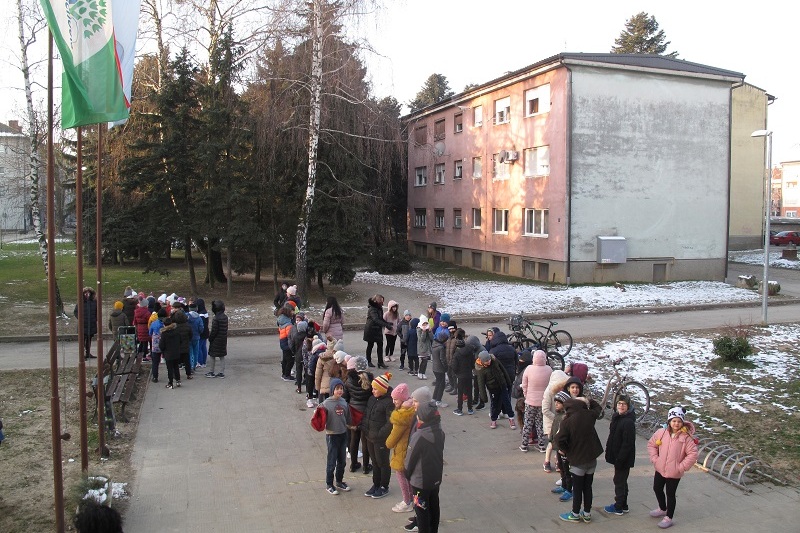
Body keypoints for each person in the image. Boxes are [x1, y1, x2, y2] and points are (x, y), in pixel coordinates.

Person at [647, 406, 698, 529]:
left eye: (679, 421)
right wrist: (655, 459)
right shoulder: (661, 433)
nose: (676, 423)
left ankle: (669, 517)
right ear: (669, 421)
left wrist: (681, 467)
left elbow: (693, 454)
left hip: (674, 472)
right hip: (660, 468)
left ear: (682, 422)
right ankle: (662, 508)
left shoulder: (686, 438)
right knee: (657, 488)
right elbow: (651, 445)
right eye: (674, 421)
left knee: (670, 494)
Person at [556, 395, 605, 524]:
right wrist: (588, 400)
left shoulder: (567, 421)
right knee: (588, 487)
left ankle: (575, 514)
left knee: (577, 489)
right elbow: (598, 408)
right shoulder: (589, 415)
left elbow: (559, 439)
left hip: (578, 460)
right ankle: (587, 514)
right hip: (591, 459)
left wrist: (566, 450)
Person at [404, 398, 445, 533]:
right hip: (435, 478)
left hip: (420, 482)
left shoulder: (419, 436)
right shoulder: (440, 432)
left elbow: (410, 459)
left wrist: (407, 473)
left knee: (421, 510)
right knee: (434, 506)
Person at [363, 372, 395, 499]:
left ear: (382, 389)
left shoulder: (389, 403)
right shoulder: (372, 399)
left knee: (383, 462)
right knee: (375, 462)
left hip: (380, 439)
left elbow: (390, 422)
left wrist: (380, 434)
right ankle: (376, 484)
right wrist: (365, 429)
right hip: (370, 436)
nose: (373, 390)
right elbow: (367, 415)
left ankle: (384, 486)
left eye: (375, 388)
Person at [603, 394, 636, 516]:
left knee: (619, 481)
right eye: (619, 404)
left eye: (624, 404)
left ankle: (618, 506)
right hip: (618, 456)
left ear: (628, 406)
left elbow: (628, 444)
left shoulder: (627, 422)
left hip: (622, 458)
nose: (621, 406)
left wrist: (620, 458)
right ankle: (624, 504)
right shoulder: (617, 417)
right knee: (622, 480)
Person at [386, 383, 416, 513]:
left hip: (401, 450)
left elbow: (394, 437)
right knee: (408, 477)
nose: (393, 402)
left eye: (396, 399)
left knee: (401, 476)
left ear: (403, 399)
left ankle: (407, 501)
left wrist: (387, 443)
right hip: (409, 448)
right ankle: (411, 500)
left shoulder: (401, 416)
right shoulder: (412, 411)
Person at [322, 377, 352, 495]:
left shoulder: (344, 402)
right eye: (337, 388)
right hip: (332, 435)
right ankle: (329, 484)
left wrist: (351, 425)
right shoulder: (326, 404)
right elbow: (320, 418)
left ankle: (339, 481)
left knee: (342, 461)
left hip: (343, 434)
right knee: (331, 461)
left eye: (341, 388)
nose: (340, 391)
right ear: (332, 390)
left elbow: (348, 417)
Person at [344, 355, 373, 474]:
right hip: (366, 413)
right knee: (365, 440)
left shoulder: (349, 380)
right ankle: (366, 466)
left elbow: (345, 397)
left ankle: (353, 464)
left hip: (354, 413)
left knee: (354, 439)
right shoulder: (370, 379)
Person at [520, 350, 553, 453]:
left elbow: (524, 384)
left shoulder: (529, 369)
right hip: (543, 402)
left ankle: (524, 444)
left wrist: (526, 395)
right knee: (540, 423)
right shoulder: (549, 370)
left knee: (528, 423)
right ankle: (542, 445)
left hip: (530, 401)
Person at [475, 350, 515, 429]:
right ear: (482, 361)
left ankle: (511, 418)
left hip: (502, 384)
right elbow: (481, 384)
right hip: (493, 388)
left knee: (507, 401)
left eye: (489, 359)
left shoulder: (495, 360)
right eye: (486, 361)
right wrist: (484, 397)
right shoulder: (480, 370)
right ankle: (494, 419)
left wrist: (508, 382)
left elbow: (503, 370)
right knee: (495, 404)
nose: (488, 362)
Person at [542, 369, 569, 472]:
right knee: (551, 442)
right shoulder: (548, 392)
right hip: (551, 421)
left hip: (561, 420)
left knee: (559, 442)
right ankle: (546, 461)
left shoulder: (563, 392)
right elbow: (545, 410)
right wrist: (556, 419)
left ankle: (558, 461)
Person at [450, 331, 478, 415]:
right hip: (469, 374)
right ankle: (470, 409)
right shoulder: (470, 352)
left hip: (460, 376)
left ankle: (459, 409)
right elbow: (473, 363)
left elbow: (454, 366)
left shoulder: (457, 354)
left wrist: (456, 373)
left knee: (460, 393)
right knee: (469, 392)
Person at [363, 294, 393, 369]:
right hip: (371, 329)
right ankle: (368, 361)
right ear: (378, 301)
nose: (383, 303)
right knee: (370, 345)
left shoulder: (379, 308)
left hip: (377, 329)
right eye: (381, 301)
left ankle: (380, 362)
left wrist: (387, 323)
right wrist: (386, 325)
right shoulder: (372, 308)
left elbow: (380, 319)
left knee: (380, 345)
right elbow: (375, 319)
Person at [205, 300, 229, 379]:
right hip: (223, 339)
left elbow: (214, 331)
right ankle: (222, 372)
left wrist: (210, 338)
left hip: (216, 340)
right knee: (222, 356)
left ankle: (211, 371)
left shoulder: (216, 319)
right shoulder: (225, 317)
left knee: (212, 356)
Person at [74, 287, 98, 359]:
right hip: (83, 324)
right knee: (82, 340)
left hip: (91, 324)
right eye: (85, 293)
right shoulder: (80, 302)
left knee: (89, 340)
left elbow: (97, 312)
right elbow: (75, 312)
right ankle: (82, 354)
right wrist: (80, 318)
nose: (87, 294)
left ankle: (88, 353)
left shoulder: (94, 302)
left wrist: (95, 319)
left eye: (88, 293)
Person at [159, 317, 181, 389]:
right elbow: (180, 341)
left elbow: (161, 345)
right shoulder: (177, 331)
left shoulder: (164, 334)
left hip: (168, 353)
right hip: (176, 352)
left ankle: (170, 383)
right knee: (176, 367)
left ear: (164, 324)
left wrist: (163, 350)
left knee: (170, 369)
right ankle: (178, 381)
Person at [276, 304, 295, 381]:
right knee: (290, 360)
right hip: (287, 343)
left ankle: (284, 374)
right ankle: (287, 375)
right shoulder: (289, 324)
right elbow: (290, 335)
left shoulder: (281, 321)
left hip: (282, 341)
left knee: (285, 359)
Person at [148, 309, 166, 383]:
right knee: (169, 361)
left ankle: (155, 377)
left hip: (156, 345)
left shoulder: (154, 323)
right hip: (165, 344)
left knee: (155, 362)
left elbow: (150, 333)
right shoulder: (167, 323)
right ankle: (173, 375)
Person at [187, 302, 204, 371]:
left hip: (188, 337)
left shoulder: (186, 317)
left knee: (190, 352)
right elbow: (201, 328)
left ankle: (191, 365)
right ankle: (194, 365)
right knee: (195, 352)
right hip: (196, 337)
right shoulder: (199, 318)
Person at [416, 316, 433, 380]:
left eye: (426, 323)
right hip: (422, 348)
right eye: (424, 324)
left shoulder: (428, 329)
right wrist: (424, 331)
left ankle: (423, 373)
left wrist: (430, 331)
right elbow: (422, 339)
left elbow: (432, 338)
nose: (425, 325)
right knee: (423, 361)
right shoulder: (419, 329)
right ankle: (420, 373)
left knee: (426, 361)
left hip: (427, 348)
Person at [195, 298, 209, 368]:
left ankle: (200, 362)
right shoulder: (205, 312)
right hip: (206, 331)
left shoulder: (200, 314)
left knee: (199, 347)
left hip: (202, 332)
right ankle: (204, 361)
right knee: (203, 347)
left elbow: (200, 325)